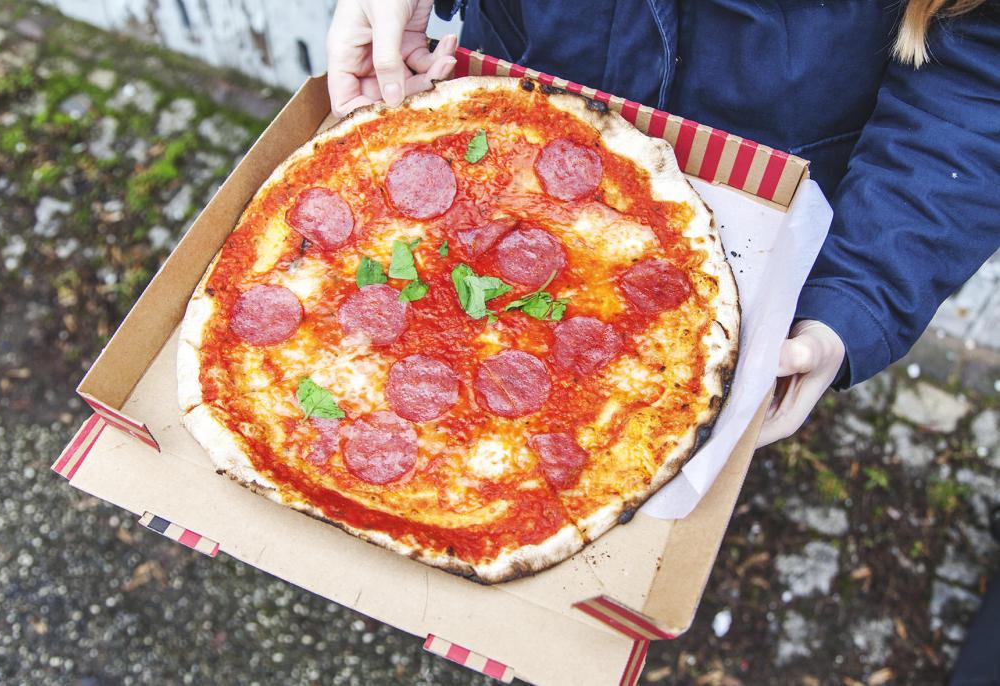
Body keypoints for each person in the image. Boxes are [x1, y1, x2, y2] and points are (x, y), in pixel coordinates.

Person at [325, 2, 999, 681]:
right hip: (508, 117)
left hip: (769, 207)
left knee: (715, 432)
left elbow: (978, 83)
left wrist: (856, 294)